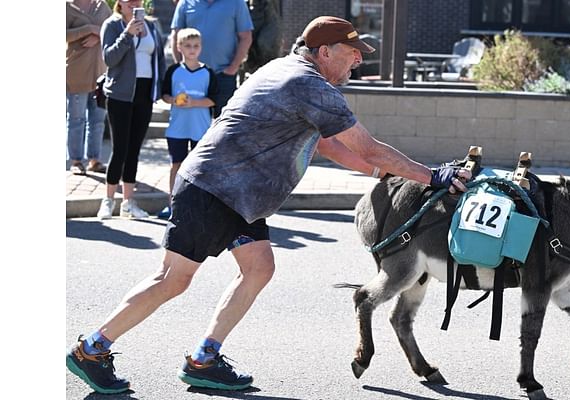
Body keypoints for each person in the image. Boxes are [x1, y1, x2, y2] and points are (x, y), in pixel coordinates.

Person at [65, 16, 471, 394]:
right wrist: (432, 176)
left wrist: (384, 175)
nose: (359, 60)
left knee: (259, 267)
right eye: (352, 53)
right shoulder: (309, 84)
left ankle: (205, 359)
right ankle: (91, 348)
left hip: (241, 196)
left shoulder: (286, 70)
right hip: (213, 188)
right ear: (325, 52)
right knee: (173, 279)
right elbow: (368, 147)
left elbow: (330, 145)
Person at [95, 0, 166, 220]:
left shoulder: (152, 25)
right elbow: (109, 58)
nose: (133, 3)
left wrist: (161, 89)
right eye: (128, 0)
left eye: (136, 0)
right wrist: (127, 34)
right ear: (120, 3)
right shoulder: (112, 24)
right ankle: (107, 201)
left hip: (145, 94)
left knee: (134, 150)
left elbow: (160, 59)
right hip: (120, 94)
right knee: (120, 150)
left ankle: (128, 202)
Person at [158, 28, 218, 219]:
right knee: (176, 164)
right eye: (187, 46)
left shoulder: (208, 72)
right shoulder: (173, 71)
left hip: (201, 129)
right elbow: (164, 95)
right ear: (179, 47)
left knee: (200, 168)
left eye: (196, 46)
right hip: (177, 128)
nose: (192, 49)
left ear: (201, 48)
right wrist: (173, 100)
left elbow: (213, 100)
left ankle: (200, 206)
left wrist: (194, 103)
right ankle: (173, 204)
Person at [170, 0, 253, 118]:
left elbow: (246, 37)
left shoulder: (236, 3)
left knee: (224, 124)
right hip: (192, 76)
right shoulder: (185, 3)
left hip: (223, 76)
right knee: (193, 124)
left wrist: (233, 68)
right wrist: (181, 68)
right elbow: (175, 37)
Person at [66, 0, 112, 175]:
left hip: (101, 75)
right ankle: (76, 161)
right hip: (76, 73)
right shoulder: (67, 7)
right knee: (76, 120)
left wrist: (98, 35)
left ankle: (95, 160)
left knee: (98, 121)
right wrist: (89, 29)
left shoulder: (102, 6)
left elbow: (115, 30)